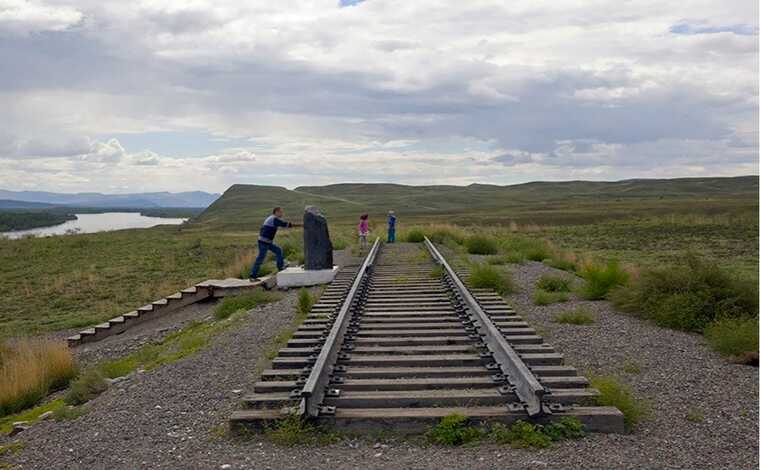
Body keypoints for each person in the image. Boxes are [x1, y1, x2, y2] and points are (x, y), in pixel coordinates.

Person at [250, 207, 298, 279]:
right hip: (264, 242)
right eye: (281, 212)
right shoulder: (274, 219)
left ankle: (280, 268)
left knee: (278, 250)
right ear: (276, 212)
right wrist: (301, 225)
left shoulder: (271, 218)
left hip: (266, 242)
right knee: (260, 258)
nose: (282, 213)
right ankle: (253, 276)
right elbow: (285, 224)